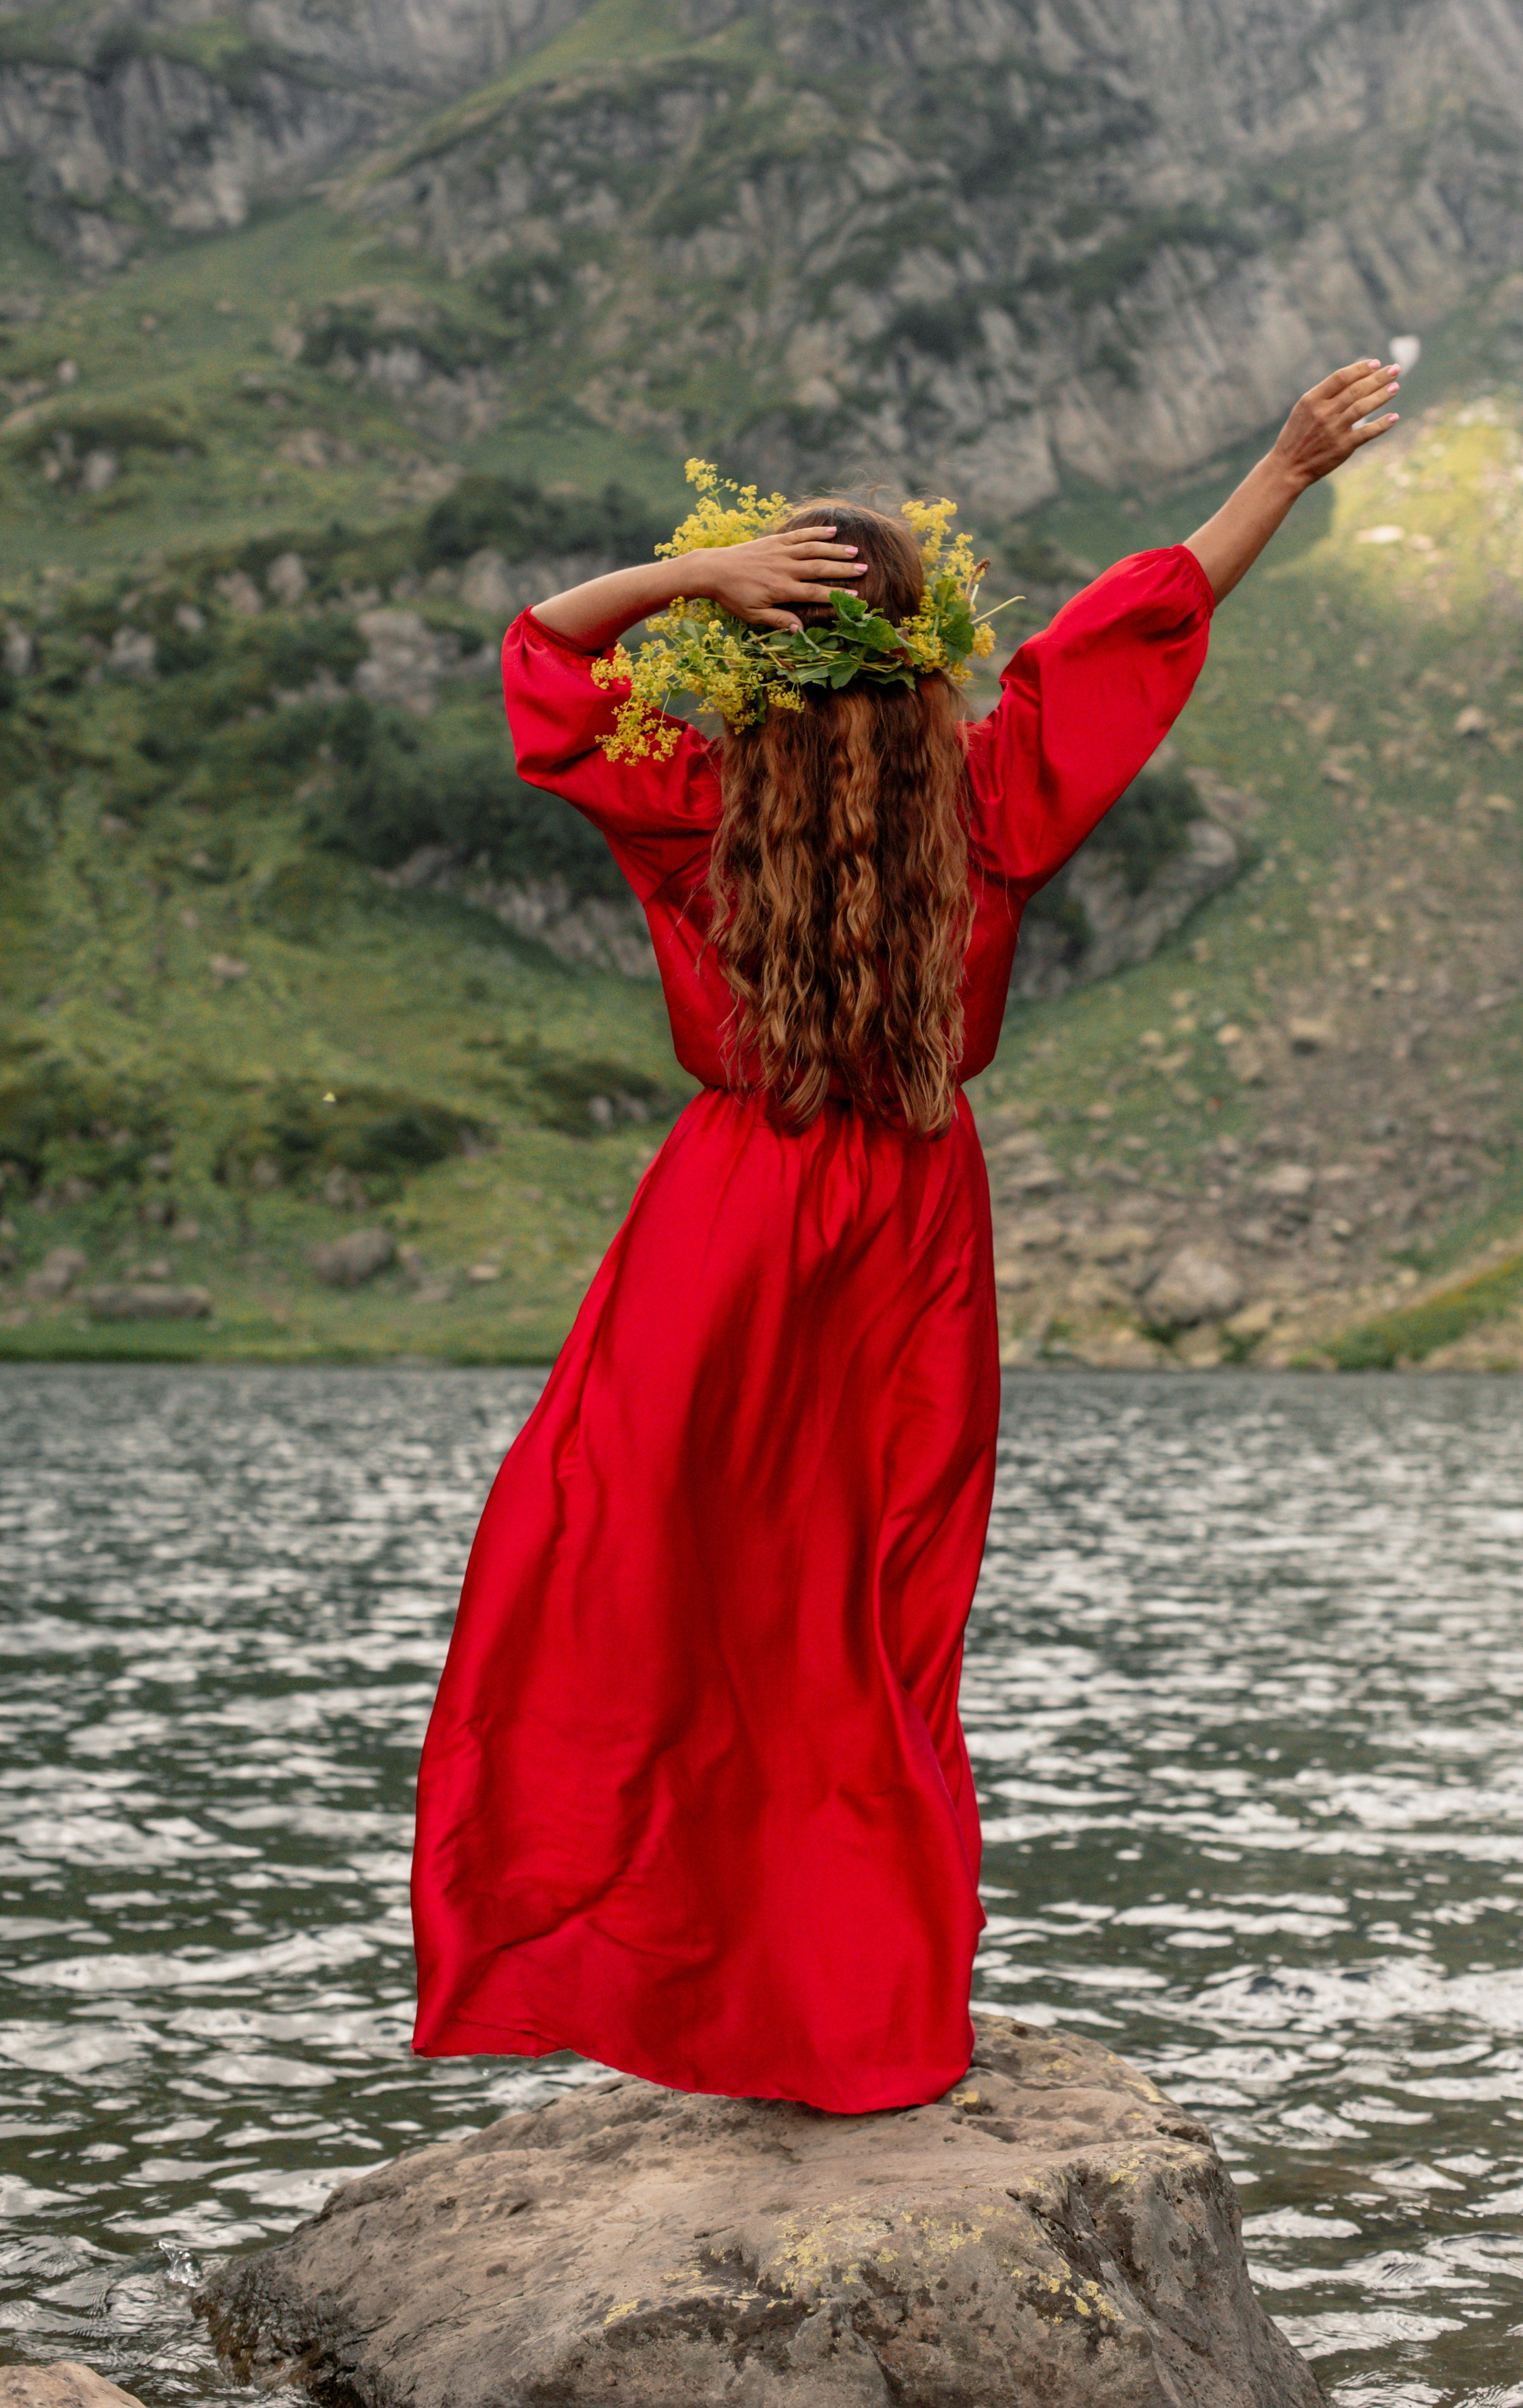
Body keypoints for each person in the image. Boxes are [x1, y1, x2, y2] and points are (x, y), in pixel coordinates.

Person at [410, 357, 1403, 2111]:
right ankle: (865, 2014)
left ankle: (713, 1994)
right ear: (929, 652)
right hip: (913, 1229)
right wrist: (1284, 465)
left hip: (729, 1219)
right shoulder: (995, 796)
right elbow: (1133, 634)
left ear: (756, 658)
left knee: (682, 1588)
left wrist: (683, 578)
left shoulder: (698, 795)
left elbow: (539, 665)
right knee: (878, 1627)